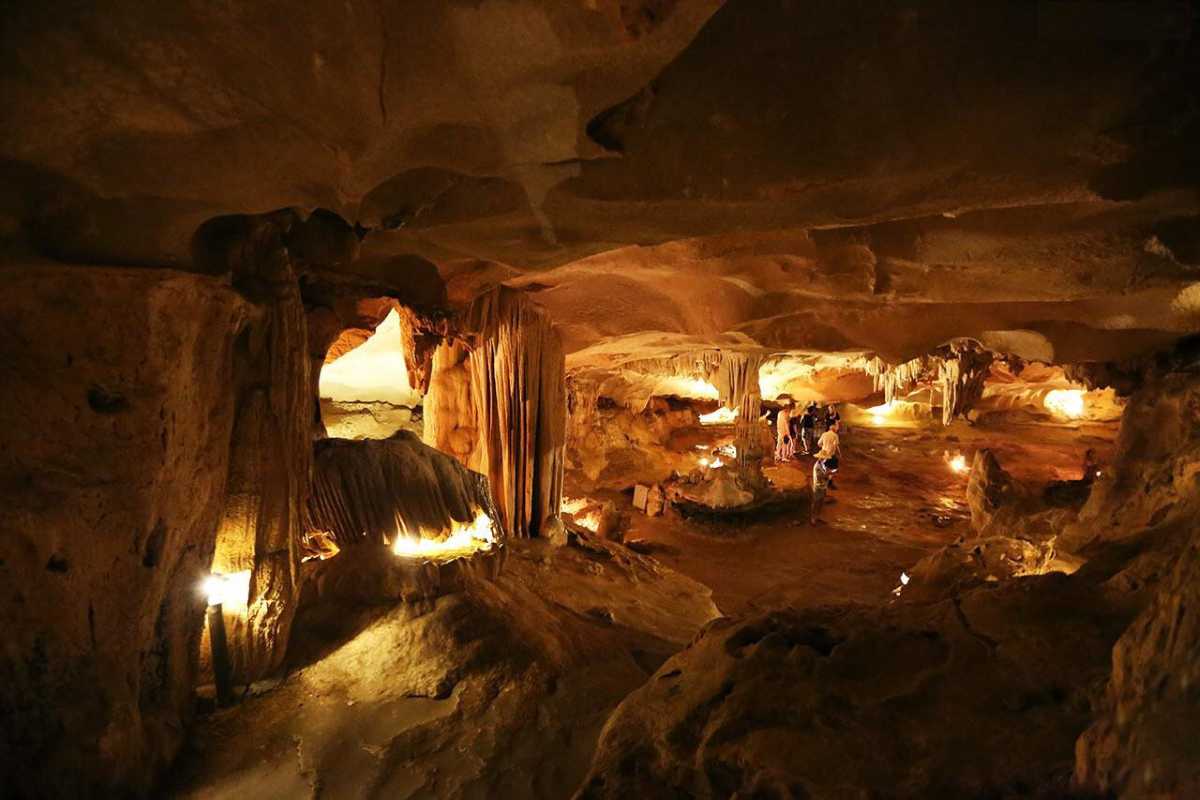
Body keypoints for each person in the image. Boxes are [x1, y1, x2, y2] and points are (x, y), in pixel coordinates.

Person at [816, 421, 841, 488]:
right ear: (834, 429)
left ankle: (824, 480)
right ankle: (828, 481)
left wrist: (824, 447)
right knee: (833, 469)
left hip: (823, 454)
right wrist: (839, 453)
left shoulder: (824, 434)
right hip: (831, 455)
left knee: (823, 468)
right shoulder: (835, 435)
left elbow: (819, 444)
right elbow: (836, 445)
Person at [810, 456, 836, 525]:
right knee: (816, 502)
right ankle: (813, 518)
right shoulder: (817, 466)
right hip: (818, 487)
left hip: (823, 486)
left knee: (820, 502)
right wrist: (829, 474)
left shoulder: (821, 464)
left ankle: (817, 517)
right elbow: (820, 476)